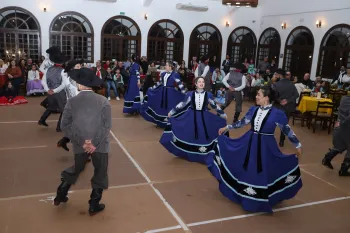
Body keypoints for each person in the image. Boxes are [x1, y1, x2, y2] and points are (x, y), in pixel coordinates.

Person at [209, 86, 302, 213]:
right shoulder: (253, 110)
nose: (256, 97)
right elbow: (243, 122)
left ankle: (259, 199)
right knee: (249, 168)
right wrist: (227, 128)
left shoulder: (277, 113)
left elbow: (286, 130)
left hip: (266, 146)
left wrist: (297, 144)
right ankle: (247, 197)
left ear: (266, 98)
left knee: (264, 170)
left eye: (259, 95)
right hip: (250, 142)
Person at [53, 68, 111, 216]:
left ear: (79, 84)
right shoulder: (103, 101)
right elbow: (106, 126)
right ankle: (94, 204)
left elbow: (64, 125)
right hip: (100, 145)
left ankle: (60, 194)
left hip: (80, 145)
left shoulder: (71, 102)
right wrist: (94, 144)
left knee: (77, 168)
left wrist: (82, 142)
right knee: (100, 172)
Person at [160, 77, 227, 165]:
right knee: (190, 134)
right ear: (195, 84)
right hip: (191, 116)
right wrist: (172, 111)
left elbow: (214, 106)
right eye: (199, 82)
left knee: (202, 135)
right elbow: (183, 104)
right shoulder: (190, 94)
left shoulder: (208, 94)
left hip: (204, 117)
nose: (201, 83)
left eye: (203, 82)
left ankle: (202, 155)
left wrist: (223, 114)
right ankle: (189, 154)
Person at [140, 61, 186, 128]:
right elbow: (159, 83)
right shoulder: (163, 74)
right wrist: (152, 88)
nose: (165, 66)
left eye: (166, 65)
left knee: (169, 106)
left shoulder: (175, 74)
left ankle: (168, 123)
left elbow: (179, 84)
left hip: (171, 93)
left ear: (170, 66)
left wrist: (184, 92)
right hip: (162, 92)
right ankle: (161, 123)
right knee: (161, 106)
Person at [38, 46, 67, 132]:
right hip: (59, 93)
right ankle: (59, 127)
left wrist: (48, 90)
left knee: (51, 107)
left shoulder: (48, 70)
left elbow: (43, 82)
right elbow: (64, 84)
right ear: (62, 62)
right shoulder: (63, 71)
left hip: (50, 92)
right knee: (64, 109)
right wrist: (55, 90)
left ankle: (42, 120)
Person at [322, 95, 350, 176]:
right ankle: (344, 169)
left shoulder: (344, 99)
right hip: (347, 127)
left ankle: (327, 158)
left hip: (339, 125)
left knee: (340, 145)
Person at [273, 68, 299, 147]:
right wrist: (287, 101)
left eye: (277, 75)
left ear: (280, 75)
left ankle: (269, 139)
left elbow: (273, 96)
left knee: (273, 123)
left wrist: (280, 101)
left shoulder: (276, 84)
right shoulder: (291, 84)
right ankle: (281, 141)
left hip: (278, 107)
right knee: (284, 124)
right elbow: (296, 95)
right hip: (288, 107)